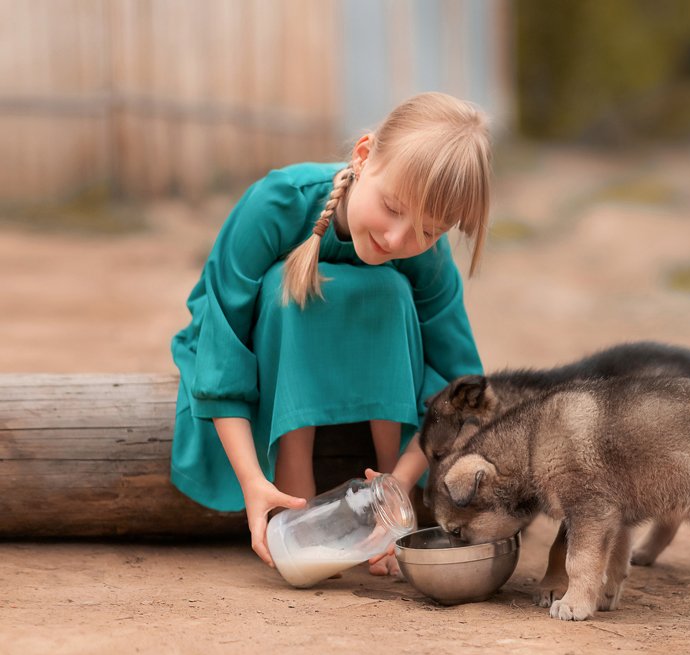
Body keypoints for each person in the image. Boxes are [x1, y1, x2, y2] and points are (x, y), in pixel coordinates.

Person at [169, 92, 491, 576]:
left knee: (389, 290)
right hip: (262, 344)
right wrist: (251, 481)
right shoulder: (277, 204)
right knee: (288, 285)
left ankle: (386, 512)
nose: (400, 240)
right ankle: (292, 491)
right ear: (363, 156)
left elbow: (461, 386)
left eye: (429, 231)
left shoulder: (424, 253)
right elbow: (222, 350)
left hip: (381, 404)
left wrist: (402, 483)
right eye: (391, 208)